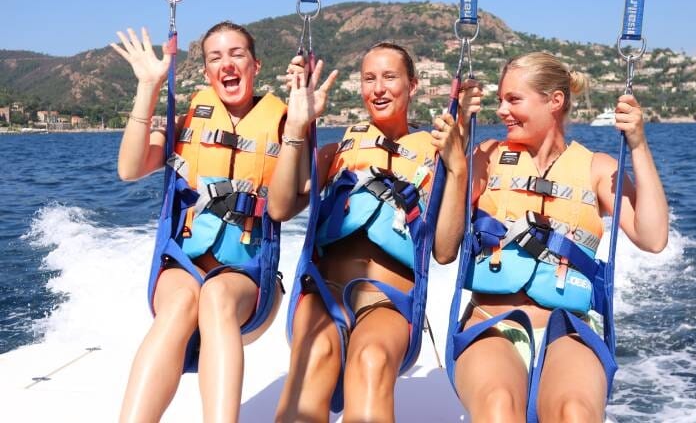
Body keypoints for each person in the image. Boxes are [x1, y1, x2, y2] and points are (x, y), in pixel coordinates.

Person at [452, 52, 669, 422]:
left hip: (569, 329)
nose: (501, 110)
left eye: (513, 99)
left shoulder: (597, 168)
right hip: (491, 322)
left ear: (554, 101)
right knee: (499, 406)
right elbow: (444, 237)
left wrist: (638, 144)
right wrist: (459, 136)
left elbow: (653, 238)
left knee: (575, 413)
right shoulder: (486, 156)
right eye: (500, 99)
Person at [111, 22, 309, 423]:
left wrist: (298, 129)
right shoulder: (187, 123)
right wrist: (148, 87)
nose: (227, 64)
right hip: (182, 267)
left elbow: (284, 208)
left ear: (256, 65)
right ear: (206, 72)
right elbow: (130, 169)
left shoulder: (286, 122)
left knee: (216, 295)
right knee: (182, 303)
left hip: (249, 277)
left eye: (237, 54)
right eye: (215, 57)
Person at [268, 42, 467, 423]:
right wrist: (295, 125)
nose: (378, 88)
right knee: (314, 355)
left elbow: (444, 252)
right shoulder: (337, 150)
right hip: (325, 292)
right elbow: (279, 208)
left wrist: (457, 169)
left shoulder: (437, 158)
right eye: (369, 78)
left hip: (389, 301)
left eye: (389, 77)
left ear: (413, 85)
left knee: (371, 360)